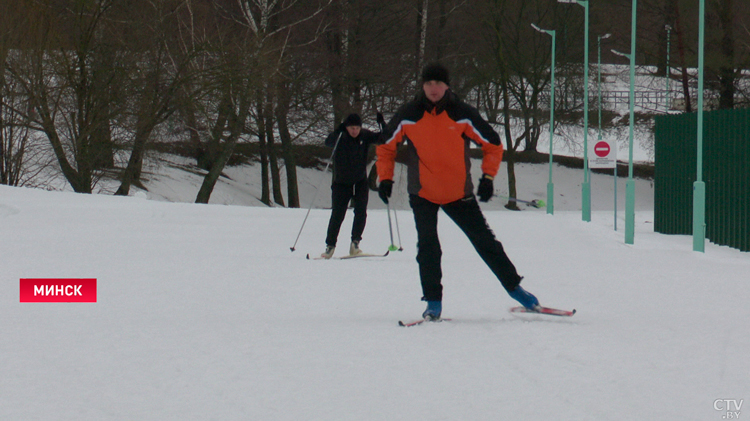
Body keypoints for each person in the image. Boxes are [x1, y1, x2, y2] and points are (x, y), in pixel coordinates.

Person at [376, 63, 540, 319]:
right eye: (429, 83)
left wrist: (487, 177)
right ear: (422, 85)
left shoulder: (461, 113)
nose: (433, 89)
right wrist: (384, 178)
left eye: (438, 84)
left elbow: (493, 144)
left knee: (485, 242)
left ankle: (518, 291)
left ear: (447, 86)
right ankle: (433, 303)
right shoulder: (409, 114)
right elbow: (386, 147)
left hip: (457, 192)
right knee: (428, 247)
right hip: (422, 191)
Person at [321, 113, 383, 259]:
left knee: (361, 212)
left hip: (360, 181)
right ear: (346, 127)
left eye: (357, 128)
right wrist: (338, 131)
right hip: (341, 182)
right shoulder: (340, 136)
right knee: (338, 214)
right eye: (352, 128)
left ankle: (355, 244)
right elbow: (328, 142)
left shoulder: (364, 135)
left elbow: (382, 138)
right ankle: (330, 246)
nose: (355, 131)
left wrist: (382, 125)